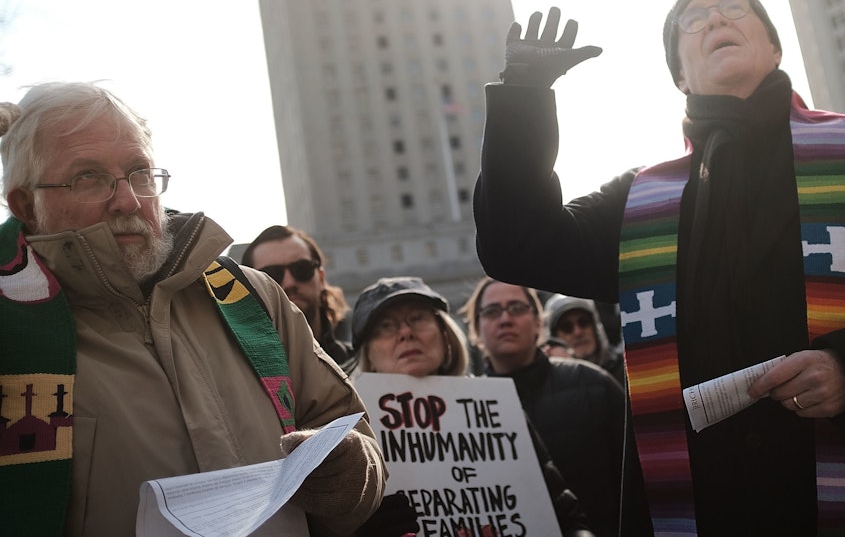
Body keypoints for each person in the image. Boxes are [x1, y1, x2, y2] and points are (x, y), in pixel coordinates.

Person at [473, 0, 845, 535]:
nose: (716, 20)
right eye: (694, 20)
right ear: (679, 74)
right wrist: (523, 94)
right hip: (704, 508)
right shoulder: (643, 200)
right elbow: (516, 244)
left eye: (734, 8)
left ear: (773, 47)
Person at [0, 82, 385, 536]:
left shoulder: (252, 296)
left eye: (140, 172)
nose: (129, 200)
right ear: (26, 204)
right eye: (88, 177)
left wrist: (353, 475)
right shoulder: (11, 324)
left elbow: (349, 430)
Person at [349, 276, 596, 537]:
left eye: (418, 318)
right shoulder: (352, 437)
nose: (406, 333)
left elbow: (567, 518)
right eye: (385, 326)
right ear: (369, 354)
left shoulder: (498, 409)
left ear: (445, 336)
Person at [461, 276, 639, 537]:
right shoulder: (464, 413)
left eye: (517, 308)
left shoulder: (595, 384)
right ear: (476, 330)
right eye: (491, 311)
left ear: (538, 322)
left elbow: (639, 482)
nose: (505, 319)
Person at [241, 224, 353, 364]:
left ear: (321, 278)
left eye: (302, 269)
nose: (289, 283)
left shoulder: (362, 369)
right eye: (271, 276)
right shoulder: (235, 377)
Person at [543, 294, 625, 386]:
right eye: (567, 327)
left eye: (583, 322)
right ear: (555, 337)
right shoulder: (548, 384)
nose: (578, 332)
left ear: (595, 327)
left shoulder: (625, 371)